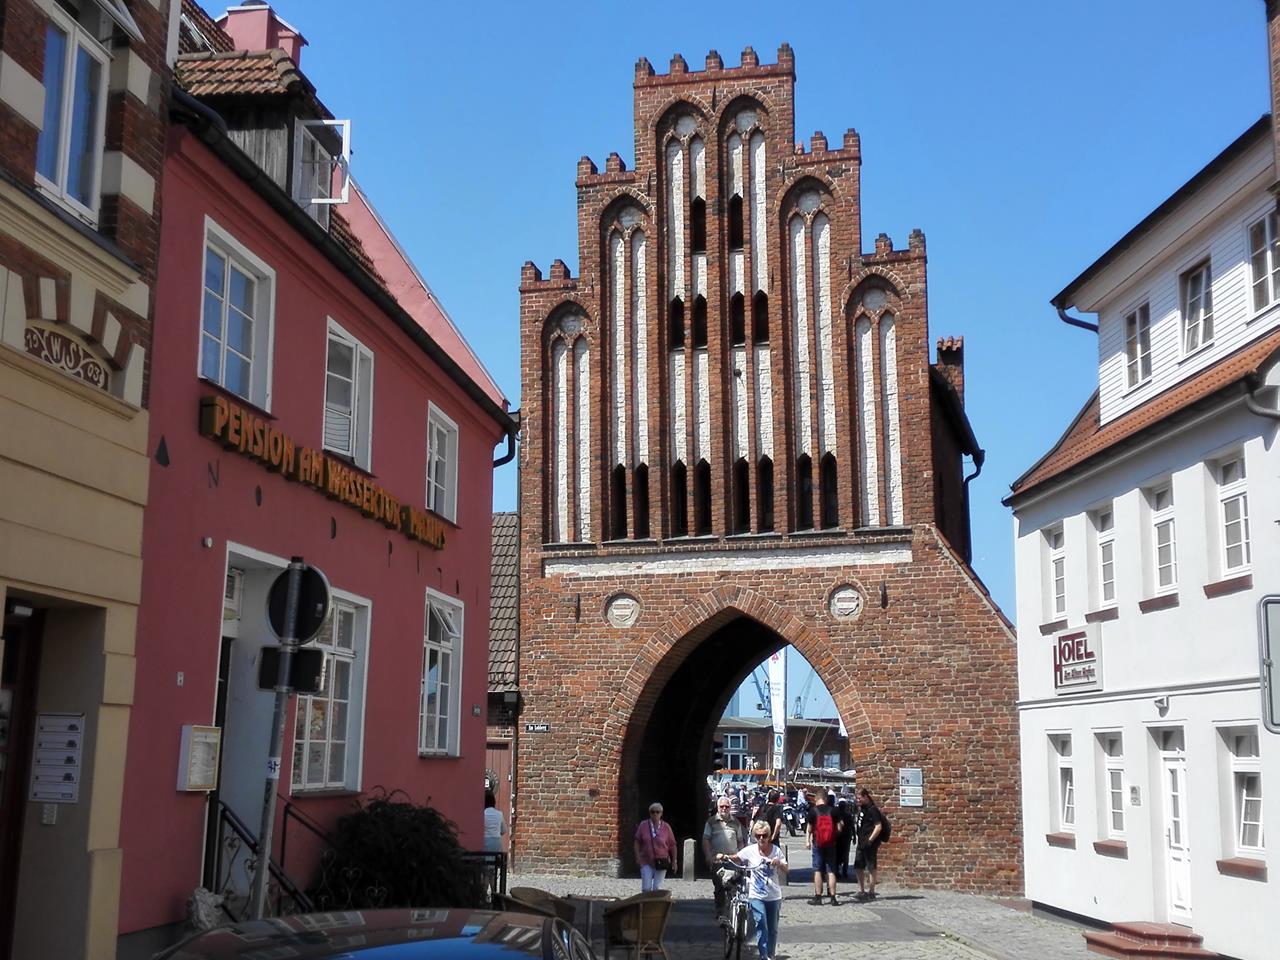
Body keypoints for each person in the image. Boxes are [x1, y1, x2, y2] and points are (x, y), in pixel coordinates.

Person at [715, 820, 788, 960]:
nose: (761, 838)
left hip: (773, 895)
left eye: (764, 835)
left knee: (772, 928)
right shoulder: (751, 850)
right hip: (756, 895)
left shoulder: (776, 851)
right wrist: (724, 857)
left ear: (769, 836)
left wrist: (778, 863)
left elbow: (786, 868)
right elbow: (737, 857)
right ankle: (763, 956)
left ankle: (770, 955)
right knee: (761, 924)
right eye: (758, 835)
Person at [702, 795, 746, 917]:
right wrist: (708, 856)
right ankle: (720, 912)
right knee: (719, 886)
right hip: (717, 859)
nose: (724, 809)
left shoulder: (736, 822)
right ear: (718, 807)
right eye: (722, 806)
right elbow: (706, 840)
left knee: (733, 885)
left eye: (727, 806)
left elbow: (740, 841)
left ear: (730, 808)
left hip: (732, 859)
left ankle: (732, 911)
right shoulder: (711, 822)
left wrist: (741, 856)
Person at [805, 791, 842, 905]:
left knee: (817, 870)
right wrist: (833, 836)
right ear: (826, 799)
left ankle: (818, 897)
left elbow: (809, 828)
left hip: (818, 843)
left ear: (817, 799)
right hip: (831, 843)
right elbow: (840, 827)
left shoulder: (813, 811)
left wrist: (807, 841)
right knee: (831, 870)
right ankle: (833, 897)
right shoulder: (834, 811)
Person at [634, 802, 678, 892]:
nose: (655, 814)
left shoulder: (666, 827)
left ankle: (656, 901)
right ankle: (646, 901)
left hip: (662, 861)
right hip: (646, 860)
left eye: (657, 812)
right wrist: (638, 857)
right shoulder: (643, 825)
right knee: (646, 888)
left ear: (661, 813)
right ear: (649, 813)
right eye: (652, 812)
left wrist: (674, 861)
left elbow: (672, 845)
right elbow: (637, 842)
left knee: (657, 888)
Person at [854, 788, 885, 900]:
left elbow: (878, 826)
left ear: (866, 797)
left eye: (859, 798)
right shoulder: (862, 809)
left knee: (871, 866)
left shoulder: (872, 809)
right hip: (861, 842)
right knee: (858, 866)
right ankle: (861, 890)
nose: (858, 800)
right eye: (857, 798)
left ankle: (871, 891)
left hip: (869, 843)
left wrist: (870, 840)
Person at [482, 790, 507, 897]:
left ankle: (483, 895)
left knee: (485, 871)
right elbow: (504, 830)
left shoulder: (482, 814)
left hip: (485, 843)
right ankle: (494, 894)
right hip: (496, 844)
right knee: (493, 871)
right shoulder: (499, 814)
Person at [835, 794, 856, 880]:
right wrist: (854, 837)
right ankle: (844, 872)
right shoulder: (848, 815)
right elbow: (852, 826)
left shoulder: (836, 815)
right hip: (846, 837)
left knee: (837, 854)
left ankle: (837, 871)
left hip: (837, 836)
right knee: (845, 854)